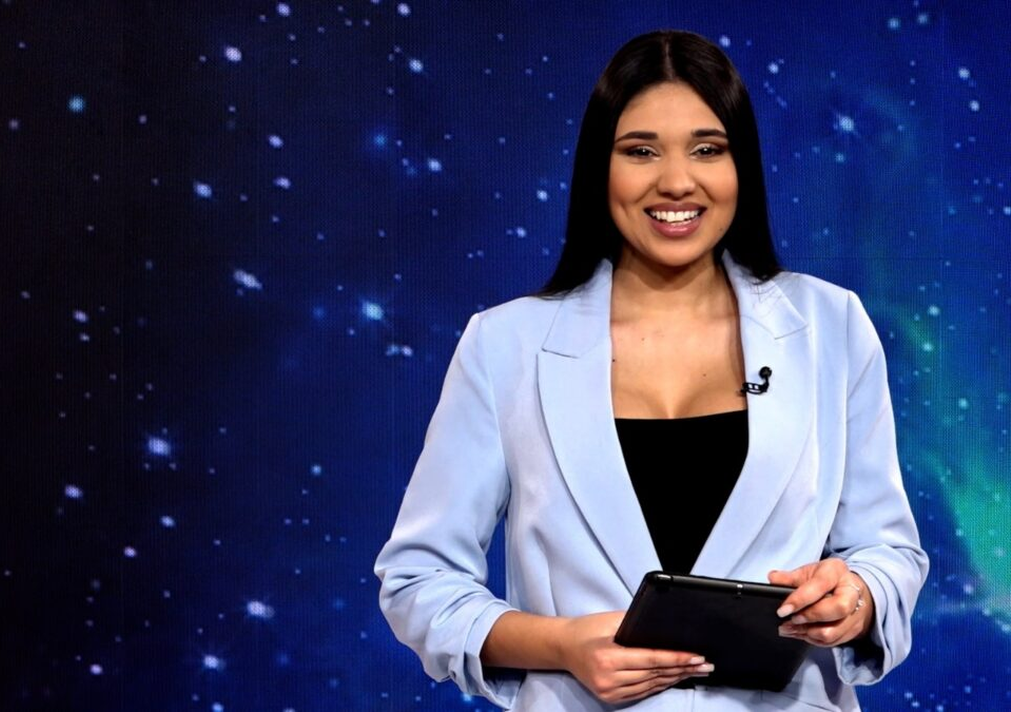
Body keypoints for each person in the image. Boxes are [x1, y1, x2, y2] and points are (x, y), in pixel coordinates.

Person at [373, 29, 927, 711]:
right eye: (640, 151)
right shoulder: (505, 345)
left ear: (742, 167)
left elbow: (888, 552)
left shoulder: (831, 326)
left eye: (707, 149)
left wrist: (859, 595)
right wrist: (563, 644)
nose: (676, 181)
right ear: (598, 169)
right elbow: (418, 578)